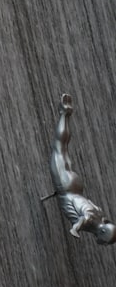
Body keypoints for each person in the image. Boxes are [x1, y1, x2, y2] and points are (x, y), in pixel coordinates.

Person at [42, 94, 115, 244]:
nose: (104, 243)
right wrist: (75, 228)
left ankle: (66, 114)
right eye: (105, 240)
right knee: (59, 148)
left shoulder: (101, 216)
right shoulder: (92, 221)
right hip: (66, 188)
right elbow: (85, 217)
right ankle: (64, 113)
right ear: (102, 231)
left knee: (63, 150)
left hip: (75, 189)